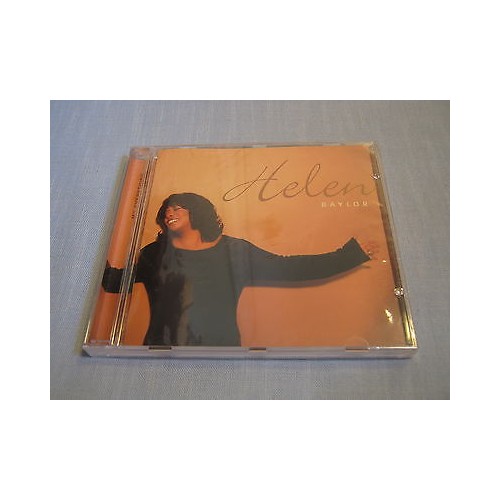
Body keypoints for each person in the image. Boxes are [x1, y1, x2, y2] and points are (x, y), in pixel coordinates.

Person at [103, 193, 373, 346]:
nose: (169, 212)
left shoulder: (234, 251)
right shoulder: (154, 253)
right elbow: (115, 282)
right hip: (160, 354)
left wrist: (349, 255)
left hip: (221, 353)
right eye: (166, 209)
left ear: (197, 212)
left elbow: (289, 268)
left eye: (178, 208)